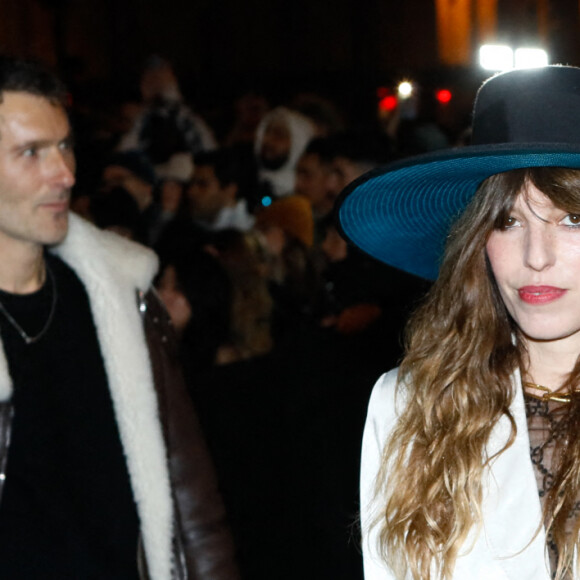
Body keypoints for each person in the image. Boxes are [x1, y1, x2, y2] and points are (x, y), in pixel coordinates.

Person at [336, 65, 580, 580]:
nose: (537, 256)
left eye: (572, 218)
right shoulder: (410, 406)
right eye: (507, 221)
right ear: (476, 242)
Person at [0, 55, 239, 579]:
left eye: (64, 146)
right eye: (31, 152)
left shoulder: (121, 297)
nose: (64, 173)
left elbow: (190, 499)